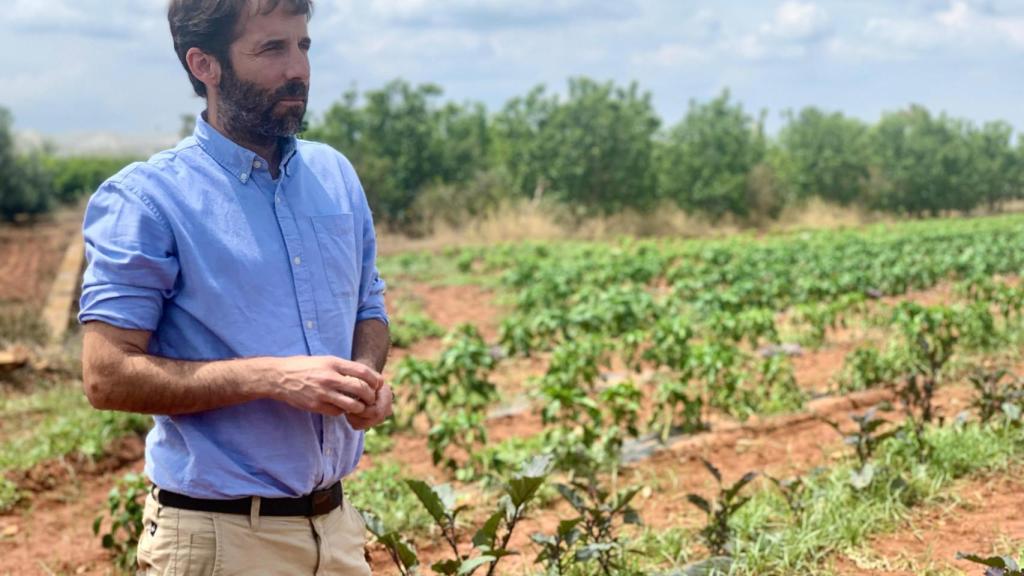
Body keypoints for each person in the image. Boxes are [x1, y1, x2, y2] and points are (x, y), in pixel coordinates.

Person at [77, 0, 391, 573]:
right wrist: (273, 378)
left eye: (303, 46)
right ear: (205, 65)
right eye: (272, 49)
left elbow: (369, 304)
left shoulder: (335, 176)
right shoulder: (147, 200)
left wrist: (365, 377)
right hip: (218, 540)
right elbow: (105, 375)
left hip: (338, 530)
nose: (297, 68)